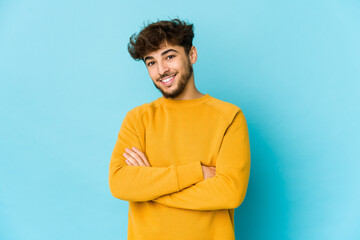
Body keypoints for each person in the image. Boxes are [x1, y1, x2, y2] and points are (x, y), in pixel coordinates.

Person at [108, 18, 251, 240]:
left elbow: (229, 193)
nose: (162, 70)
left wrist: (150, 188)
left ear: (191, 55)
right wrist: (197, 173)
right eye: (151, 62)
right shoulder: (137, 119)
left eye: (170, 56)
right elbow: (119, 183)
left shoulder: (229, 117)